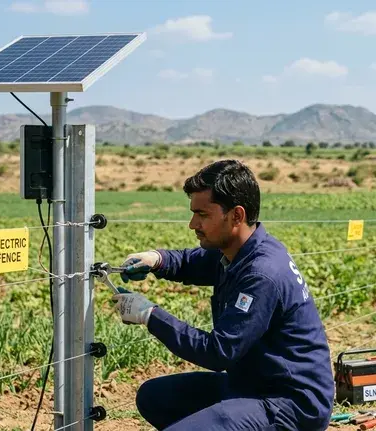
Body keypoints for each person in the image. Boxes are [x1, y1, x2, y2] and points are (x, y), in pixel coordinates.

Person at [111, 160, 335, 431]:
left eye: (203, 215)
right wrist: (156, 259)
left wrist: (150, 315)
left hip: (290, 402)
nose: (193, 224)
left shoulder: (261, 274)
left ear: (236, 215)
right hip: (253, 383)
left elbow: (218, 353)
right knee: (155, 397)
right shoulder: (240, 251)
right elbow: (192, 261)